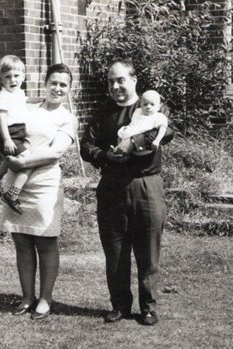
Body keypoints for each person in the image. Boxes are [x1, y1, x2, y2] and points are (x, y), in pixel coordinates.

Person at [80, 60, 174, 326]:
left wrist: (133, 143)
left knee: (148, 249)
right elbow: (86, 146)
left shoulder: (149, 104)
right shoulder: (103, 112)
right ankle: (120, 305)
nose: (115, 86)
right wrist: (105, 155)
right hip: (111, 185)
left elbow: (167, 131)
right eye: (111, 81)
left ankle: (148, 307)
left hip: (146, 185)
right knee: (116, 250)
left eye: (120, 80)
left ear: (133, 80)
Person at [0, 63, 78, 320]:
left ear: (69, 89)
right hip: (17, 181)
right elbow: (6, 125)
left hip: (45, 183)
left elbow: (55, 152)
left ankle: (45, 298)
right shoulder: (27, 106)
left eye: (63, 85)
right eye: (53, 82)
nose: (57, 88)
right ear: (45, 83)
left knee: (45, 240)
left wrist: (22, 162)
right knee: (21, 240)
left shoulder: (67, 118)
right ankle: (26, 297)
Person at [0, 55, 32, 214]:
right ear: (1, 79)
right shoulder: (3, 97)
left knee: (11, 159)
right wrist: (7, 140)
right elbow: (1, 119)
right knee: (28, 162)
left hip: (17, 132)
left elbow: (26, 101)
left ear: (23, 76)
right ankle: (12, 194)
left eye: (17, 76)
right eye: (8, 77)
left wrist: (44, 100)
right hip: (8, 133)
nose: (13, 80)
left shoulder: (17, 93)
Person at [112, 90, 168, 156]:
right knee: (121, 133)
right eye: (145, 104)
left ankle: (122, 152)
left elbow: (163, 129)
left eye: (152, 104)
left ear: (159, 106)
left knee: (130, 147)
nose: (148, 107)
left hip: (143, 144)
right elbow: (133, 123)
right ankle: (117, 149)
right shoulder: (138, 111)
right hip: (131, 133)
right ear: (140, 104)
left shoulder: (158, 117)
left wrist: (157, 140)